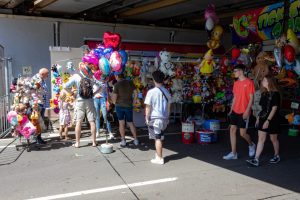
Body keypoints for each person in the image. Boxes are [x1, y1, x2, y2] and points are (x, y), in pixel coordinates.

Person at [223, 64, 256, 160]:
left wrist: (247, 111)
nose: (234, 73)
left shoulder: (249, 82)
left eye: (235, 71)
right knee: (232, 130)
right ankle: (233, 153)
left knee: (242, 134)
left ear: (241, 71)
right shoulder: (236, 83)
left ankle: (251, 144)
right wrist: (231, 109)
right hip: (235, 110)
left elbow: (251, 99)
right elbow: (235, 97)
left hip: (244, 111)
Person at [247, 75, 281, 166]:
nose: (263, 82)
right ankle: (256, 159)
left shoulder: (275, 94)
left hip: (272, 119)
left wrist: (268, 121)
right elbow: (262, 108)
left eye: (265, 80)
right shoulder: (264, 93)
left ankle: (276, 155)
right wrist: (258, 118)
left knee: (273, 139)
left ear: (270, 82)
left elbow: (274, 108)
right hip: (263, 118)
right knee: (261, 139)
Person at [63, 64, 97, 148]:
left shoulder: (76, 77)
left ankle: (77, 143)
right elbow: (100, 86)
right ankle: (94, 142)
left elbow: (65, 86)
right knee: (92, 121)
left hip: (79, 100)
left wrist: (71, 94)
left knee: (79, 122)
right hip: (90, 100)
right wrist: (94, 94)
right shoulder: (91, 77)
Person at [144, 71, 171, 165]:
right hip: (164, 118)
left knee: (157, 138)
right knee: (161, 137)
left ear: (154, 80)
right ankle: (158, 154)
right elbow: (168, 107)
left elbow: (148, 106)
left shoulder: (151, 92)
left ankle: (159, 158)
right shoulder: (166, 91)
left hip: (155, 118)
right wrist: (167, 118)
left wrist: (146, 117)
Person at [112, 73, 139, 147]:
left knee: (121, 123)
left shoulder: (117, 85)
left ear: (117, 76)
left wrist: (114, 103)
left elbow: (114, 98)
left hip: (119, 106)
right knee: (130, 122)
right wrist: (134, 102)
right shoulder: (130, 82)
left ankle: (123, 140)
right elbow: (136, 93)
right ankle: (136, 140)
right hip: (129, 105)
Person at [93, 75, 114, 139]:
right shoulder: (94, 82)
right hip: (95, 99)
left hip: (103, 99)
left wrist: (108, 100)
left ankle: (110, 132)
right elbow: (92, 92)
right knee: (97, 117)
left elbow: (107, 92)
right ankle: (97, 132)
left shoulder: (104, 82)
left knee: (106, 116)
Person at [32, 68, 49, 144]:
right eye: (47, 74)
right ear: (42, 74)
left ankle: (39, 138)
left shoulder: (42, 79)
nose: (47, 76)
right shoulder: (36, 79)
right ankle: (37, 139)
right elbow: (34, 91)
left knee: (40, 121)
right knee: (37, 121)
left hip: (42, 103)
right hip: (37, 103)